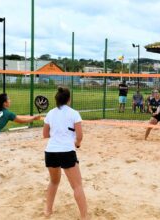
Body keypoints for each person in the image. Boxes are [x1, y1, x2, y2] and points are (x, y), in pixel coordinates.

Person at [42, 87, 88, 219]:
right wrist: (77, 144)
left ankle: (48, 211)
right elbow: (80, 136)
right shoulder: (73, 113)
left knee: (54, 182)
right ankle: (84, 216)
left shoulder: (50, 113)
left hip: (50, 152)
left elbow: (45, 134)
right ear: (69, 99)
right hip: (66, 151)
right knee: (77, 186)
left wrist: (57, 132)